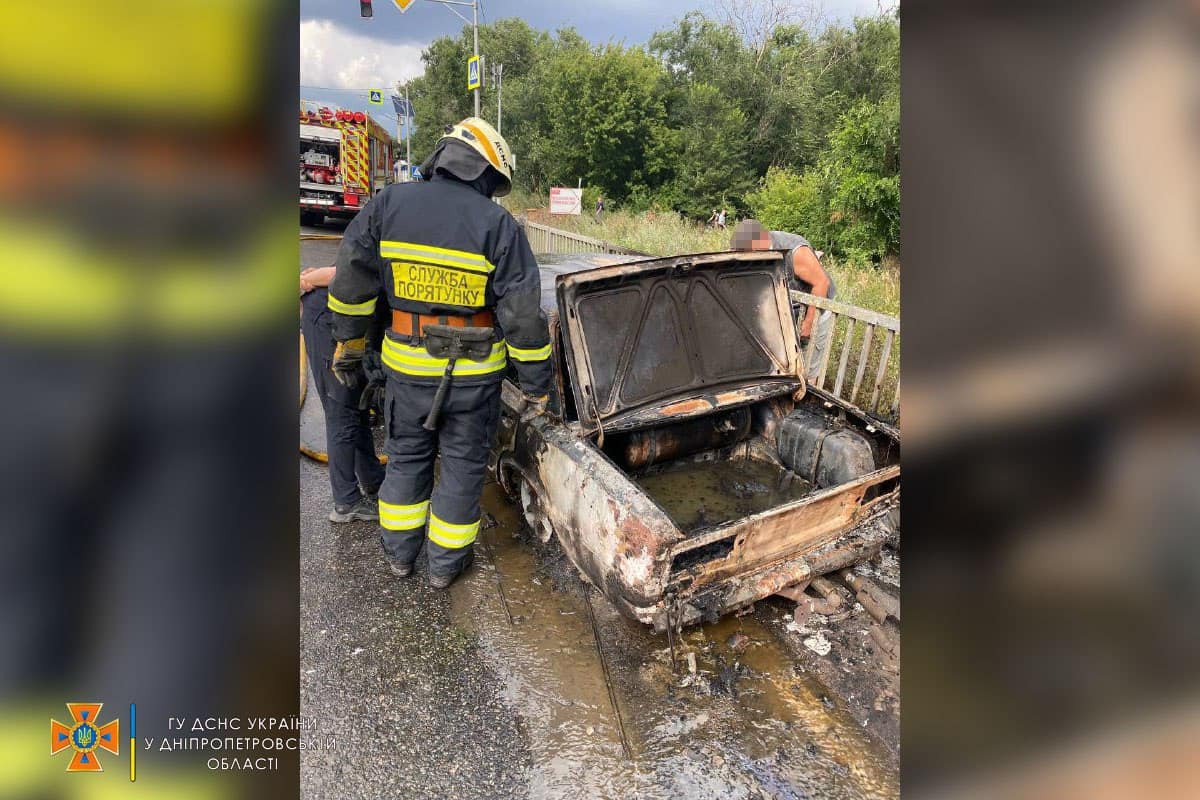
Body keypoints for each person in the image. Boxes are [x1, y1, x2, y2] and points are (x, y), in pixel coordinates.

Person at [327, 117, 552, 589]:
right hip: (474, 376)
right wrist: (536, 385)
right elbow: (523, 315)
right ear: (485, 173)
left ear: (443, 159)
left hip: (406, 370)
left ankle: (400, 558)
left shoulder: (389, 204)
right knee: (463, 464)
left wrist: (348, 343)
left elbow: (351, 280)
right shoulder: (499, 225)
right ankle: (446, 567)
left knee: (407, 456)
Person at [301, 265, 387, 523]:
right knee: (341, 410)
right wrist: (306, 281)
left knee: (356, 405)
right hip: (331, 324)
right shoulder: (383, 232)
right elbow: (342, 273)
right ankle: (346, 502)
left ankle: (372, 479)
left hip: (347, 325)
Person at [731, 219, 836, 383]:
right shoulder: (756, 246)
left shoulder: (796, 252)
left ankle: (808, 393)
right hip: (790, 309)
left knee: (809, 362)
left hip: (815, 309)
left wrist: (809, 323)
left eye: (750, 253)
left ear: (761, 243)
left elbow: (822, 283)